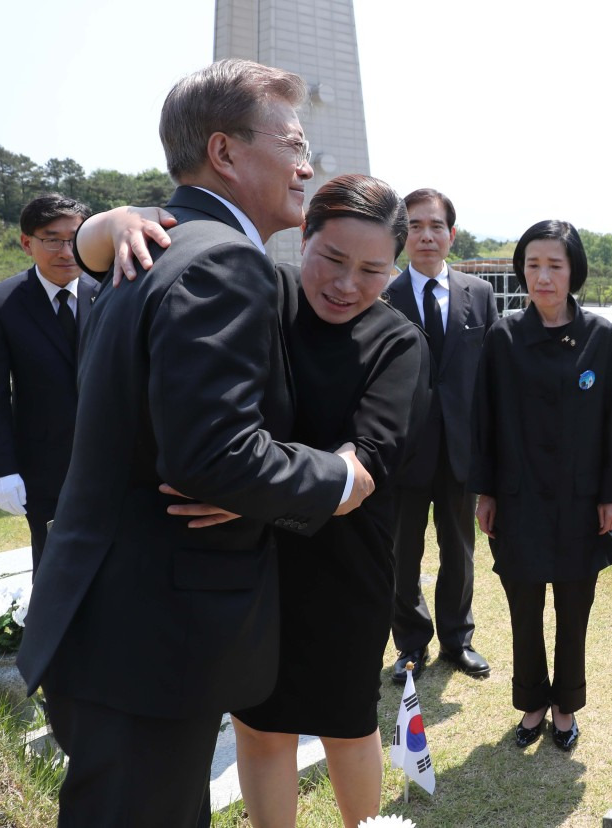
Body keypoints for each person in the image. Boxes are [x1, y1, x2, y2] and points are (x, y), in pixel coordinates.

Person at [16, 59, 374, 828]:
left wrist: (92, 234)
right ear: (225, 152)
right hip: (154, 632)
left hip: (111, 621)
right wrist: (338, 478)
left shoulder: (145, 245)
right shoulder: (221, 259)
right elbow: (213, 455)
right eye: (293, 141)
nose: (309, 165)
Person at [74, 174, 431, 828]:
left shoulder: (398, 342)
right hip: (245, 563)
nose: (347, 283)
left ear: (396, 268)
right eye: (332, 259)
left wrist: (249, 496)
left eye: (373, 270)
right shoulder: (260, 292)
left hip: (344, 563)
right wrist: (118, 220)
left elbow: (363, 468)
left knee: (346, 724)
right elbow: (94, 253)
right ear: (303, 238)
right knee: (260, 726)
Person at [470, 220, 612, 750]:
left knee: (574, 605)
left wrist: (611, 494)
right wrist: (486, 491)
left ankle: (566, 707)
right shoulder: (504, 335)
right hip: (518, 498)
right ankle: (532, 702)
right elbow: (485, 420)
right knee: (523, 605)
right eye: (533, 264)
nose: (542, 276)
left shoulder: (600, 337)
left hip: (581, 500)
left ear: (573, 271)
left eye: (554, 265)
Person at [386, 188, 498, 683]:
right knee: (401, 554)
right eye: (414, 226)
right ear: (402, 234)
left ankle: (458, 640)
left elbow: (493, 378)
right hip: (402, 452)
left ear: (452, 235)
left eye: (435, 226)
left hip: (461, 451)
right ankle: (410, 644)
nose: (425, 235)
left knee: (459, 550)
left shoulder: (480, 294)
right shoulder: (384, 296)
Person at [0, 194, 96, 576]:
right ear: (27, 243)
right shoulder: (3, 303)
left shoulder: (112, 291)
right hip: (44, 468)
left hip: (116, 461)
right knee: (55, 571)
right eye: (52, 239)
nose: (66, 251)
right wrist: (2, 470)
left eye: (75, 238)